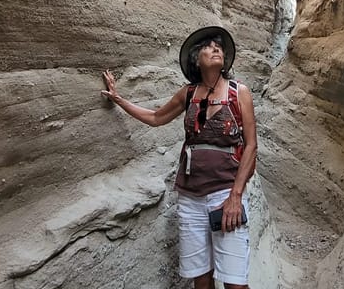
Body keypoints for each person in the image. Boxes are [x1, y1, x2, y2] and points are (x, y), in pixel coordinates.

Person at [101, 26, 257, 289]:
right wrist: (119, 99)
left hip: (225, 194)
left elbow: (251, 146)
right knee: (202, 278)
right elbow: (155, 117)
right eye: (208, 46)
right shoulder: (188, 93)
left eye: (218, 45)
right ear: (197, 59)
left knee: (234, 282)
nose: (216, 48)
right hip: (190, 198)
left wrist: (236, 196)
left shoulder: (238, 92)